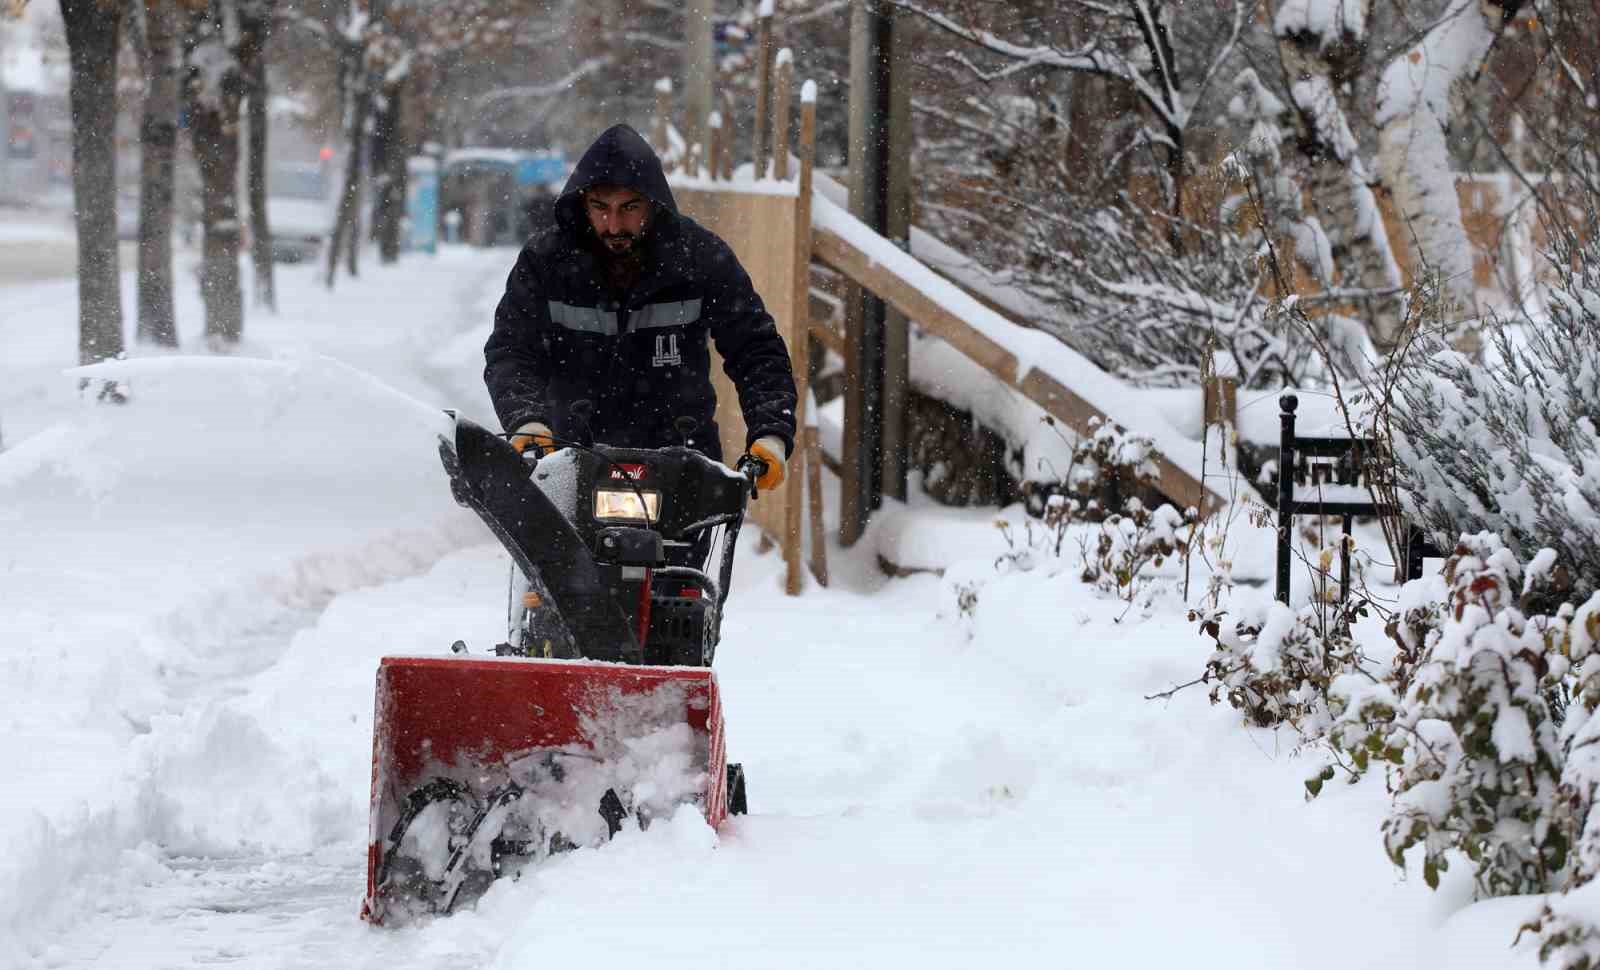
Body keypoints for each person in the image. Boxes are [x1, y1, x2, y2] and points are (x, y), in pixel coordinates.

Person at [484, 124, 796, 494]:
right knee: (553, 552)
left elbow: (756, 350)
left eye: (629, 208)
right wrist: (527, 423)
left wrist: (771, 434)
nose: (613, 224)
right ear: (582, 204)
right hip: (569, 460)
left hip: (681, 461)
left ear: (653, 204)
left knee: (686, 549)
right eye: (600, 207)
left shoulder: (700, 259)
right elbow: (512, 350)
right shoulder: (546, 262)